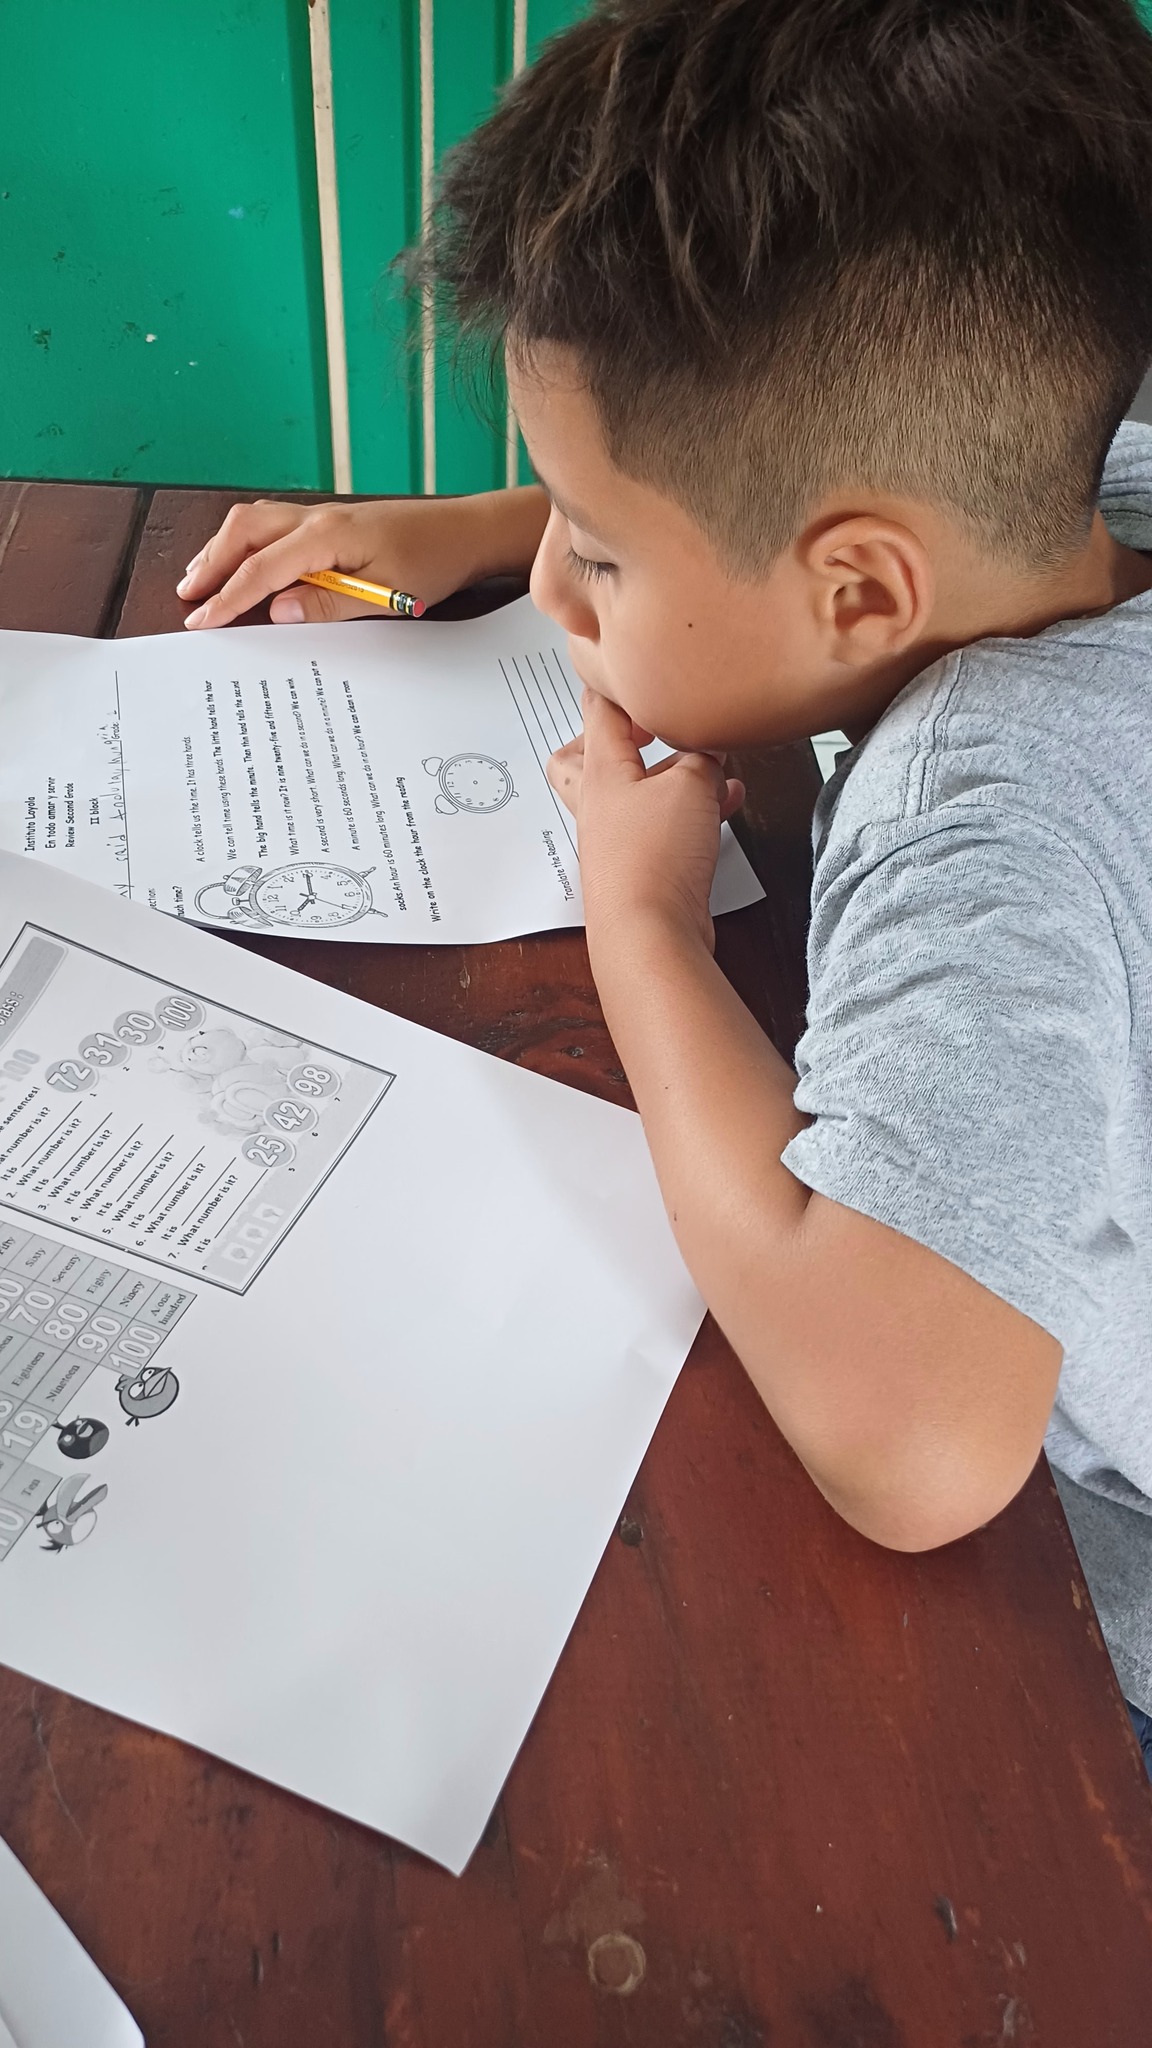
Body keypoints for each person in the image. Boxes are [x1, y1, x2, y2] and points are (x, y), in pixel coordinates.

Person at [176, 0, 1152, 1771]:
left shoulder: (990, 824)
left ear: (863, 593)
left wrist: (641, 920)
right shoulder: (1089, 453)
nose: (557, 592)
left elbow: (917, 1444)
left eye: (602, 554)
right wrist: (485, 523)